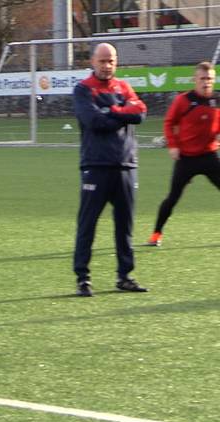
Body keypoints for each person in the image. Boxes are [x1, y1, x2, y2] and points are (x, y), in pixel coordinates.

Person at [72, 42, 149, 297]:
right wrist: (122, 113)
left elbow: (140, 113)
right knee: (88, 224)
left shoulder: (123, 87)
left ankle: (125, 276)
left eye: (111, 61)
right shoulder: (83, 89)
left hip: (126, 165)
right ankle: (83, 278)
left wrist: (113, 110)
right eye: (103, 61)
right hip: (96, 165)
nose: (107, 65)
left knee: (124, 225)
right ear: (92, 62)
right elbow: (94, 121)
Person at [147, 61, 220, 247]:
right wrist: (173, 145)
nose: (206, 83)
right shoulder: (183, 100)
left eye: (209, 79)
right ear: (194, 80)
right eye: (202, 79)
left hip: (209, 157)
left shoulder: (216, 101)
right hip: (186, 159)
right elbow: (169, 123)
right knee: (172, 198)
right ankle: (156, 234)